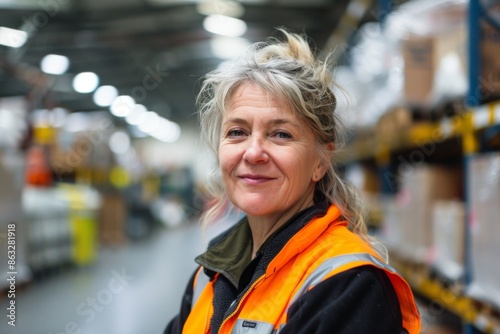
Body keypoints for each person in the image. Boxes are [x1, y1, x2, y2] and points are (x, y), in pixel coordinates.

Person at [164, 29, 421, 334]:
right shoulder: (208, 275)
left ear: (320, 162)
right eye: (237, 132)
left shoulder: (348, 286)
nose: (254, 152)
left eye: (281, 134)